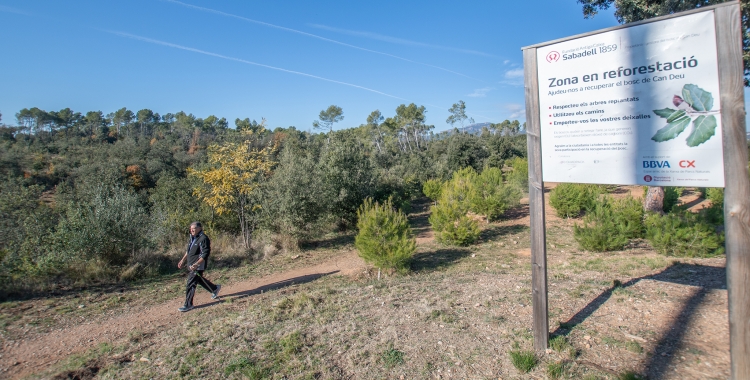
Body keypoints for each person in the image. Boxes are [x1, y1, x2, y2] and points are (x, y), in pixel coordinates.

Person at [177, 222, 221, 312]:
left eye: (194, 228)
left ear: (200, 228)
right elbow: (188, 251)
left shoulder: (203, 238)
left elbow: (205, 253)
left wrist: (197, 264)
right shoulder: (192, 238)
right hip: (191, 265)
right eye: (191, 228)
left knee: (191, 283)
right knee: (199, 280)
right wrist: (182, 260)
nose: (191, 230)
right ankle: (214, 288)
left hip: (198, 266)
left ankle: (188, 304)